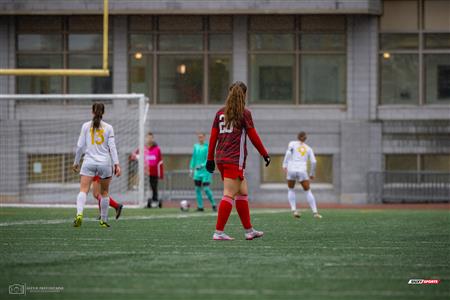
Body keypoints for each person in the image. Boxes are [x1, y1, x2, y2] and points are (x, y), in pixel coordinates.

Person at [206, 81, 271, 241]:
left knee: (242, 192)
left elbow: (213, 137)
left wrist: (210, 159)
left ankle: (249, 231)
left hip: (221, 158)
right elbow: (253, 136)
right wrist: (264, 153)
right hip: (234, 159)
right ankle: (218, 232)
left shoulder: (220, 113)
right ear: (245, 95)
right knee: (229, 194)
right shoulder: (244, 113)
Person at [72, 102, 121, 228]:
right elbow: (112, 147)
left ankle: (79, 214)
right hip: (105, 163)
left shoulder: (85, 126)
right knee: (104, 192)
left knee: (83, 190)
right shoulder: (109, 128)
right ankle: (103, 221)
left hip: (89, 162)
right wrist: (117, 164)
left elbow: (80, 147)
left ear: (92, 112)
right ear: (103, 113)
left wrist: (76, 162)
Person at [282, 131, 322, 219]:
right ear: (305, 138)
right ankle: (315, 212)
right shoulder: (308, 148)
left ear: (298, 137)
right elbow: (314, 161)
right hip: (302, 170)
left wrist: (284, 165)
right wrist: (312, 173)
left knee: (291, 189)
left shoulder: (292, 143)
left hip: (291, 169)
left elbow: (288, 153)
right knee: (307, 191)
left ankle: (294, 210)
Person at [130, 132, 163, 208]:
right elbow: (133, 155)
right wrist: (136, 156)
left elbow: (160, 162)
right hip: (144, 171)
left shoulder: (157, 149)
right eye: (148, 137)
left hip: (153, 172)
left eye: (151, 137)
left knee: (154, 186)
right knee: (143, 186)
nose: (149, 139)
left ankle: (155, 200)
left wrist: (160, 173)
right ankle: (143, 200)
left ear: (153, 138)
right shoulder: (142, 148)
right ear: (146, 138)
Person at [190, 132, 216, 212]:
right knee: (197, 189)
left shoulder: (207, 147)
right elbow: (193, 158)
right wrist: (191, 168)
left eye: (201, 137)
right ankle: (200, 207)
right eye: (199, 137)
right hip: (197, 172)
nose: (200, 138)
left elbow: (209, 158)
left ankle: (214, 204)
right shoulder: (196, 146)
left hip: (205, 171)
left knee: (206, 189)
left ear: (204, 137)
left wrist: (202, 165)